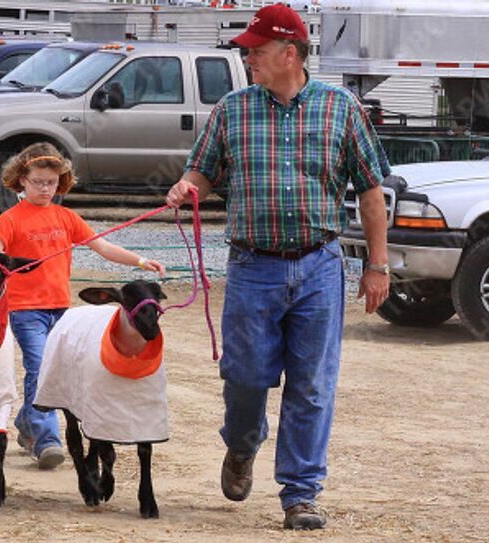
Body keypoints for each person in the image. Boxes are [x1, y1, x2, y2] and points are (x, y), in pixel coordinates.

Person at [165, 3, 391, 531]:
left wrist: (377, 265)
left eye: (257, 51)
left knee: (312, 384)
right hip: (252, 267)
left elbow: (372, 190)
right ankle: (242, 445)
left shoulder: (341, 108)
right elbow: (202, 172)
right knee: (244, 377)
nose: (248, 60)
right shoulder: (232, 109)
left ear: (289, 53)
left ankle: (300, 493)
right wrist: (186, 187)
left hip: (319, 266)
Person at [0, 142, 165, 470]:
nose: (44, 189)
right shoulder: (10, 219)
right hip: (25, 310)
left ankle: (28, 423)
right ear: (21, 180)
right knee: (40, 367)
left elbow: (103, 246)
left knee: (61, 370)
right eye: (38, 181)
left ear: (61, 183)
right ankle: (47, 439)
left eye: (51, 183)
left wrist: (141, 261)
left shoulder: (66, 217)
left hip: (61, 310)